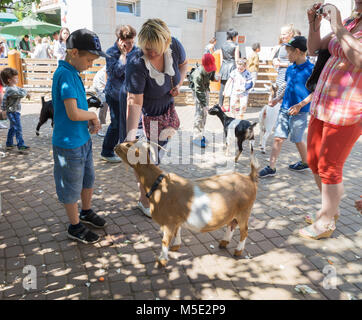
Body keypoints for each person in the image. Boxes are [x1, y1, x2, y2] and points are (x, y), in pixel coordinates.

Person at [298, 2, 362, 240]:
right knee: (314, 161)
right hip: (322, 105)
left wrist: (336, 24)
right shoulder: (350, 23)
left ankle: (326, 221)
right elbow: (314, 49)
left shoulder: (343, 25)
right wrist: (314, 24)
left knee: (330, 167)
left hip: (348, 111)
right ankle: (330, 209)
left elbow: (359, 59)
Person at [125, 18, 188, 218]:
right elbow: (134, 102)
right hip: (144, 113)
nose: (151, 53)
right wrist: (130, 137)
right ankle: (144, 201)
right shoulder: (136, 62)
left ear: (166, 42)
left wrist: (179, 84)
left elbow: (184, 64)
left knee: (155, 159)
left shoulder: (175, 45)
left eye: (155, 49)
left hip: (166, 112)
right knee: (144, 159)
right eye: (146, 48)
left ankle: (149, 191)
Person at [51, 28, 109, 244]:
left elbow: (77, 110)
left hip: (81, 140)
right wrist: (93, 116)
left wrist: (89, 120)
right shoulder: (64, 74)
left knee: (87, 179)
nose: (91, 64)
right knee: (71, 185)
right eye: (89, 59)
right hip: (68, 144)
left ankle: (85, 211)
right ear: (74, 52)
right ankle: (74, 226)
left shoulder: (73, 73)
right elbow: (73, 112)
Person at [259, 36, 314, 178]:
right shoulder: (290, 69)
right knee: (278, 137)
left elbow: (316, 93)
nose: (286, 55)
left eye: (289, 52)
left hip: (300, 112)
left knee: (297, 139)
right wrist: (278, 98)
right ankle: (271, 167)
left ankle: (305, 161)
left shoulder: (311, 70)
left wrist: (300, 105)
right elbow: (287, 87)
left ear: (297, 51)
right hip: (284, 109)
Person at [101, 25, 137, 162]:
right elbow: (114, 73)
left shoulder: (136, 50)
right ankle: (107, 151)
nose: (131, 46)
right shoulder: (111, 52)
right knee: (116, 123)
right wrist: (123, 55)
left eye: (132, 42)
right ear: (120, 41)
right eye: (128, 43)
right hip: (114, 94)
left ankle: (126, 150)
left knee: (130, 123)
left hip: (131, 94)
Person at [0, 67, 31, 150]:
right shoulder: (10, 90)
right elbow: (21, 93)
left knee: (13, 128)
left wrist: (25, 92)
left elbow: (21, 90)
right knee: (18, 128)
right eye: (15, 78)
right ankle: (21, 145)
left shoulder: (14, 87)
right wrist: (26, 92)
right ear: (9, 80)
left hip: (15, 111)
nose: (17, 79)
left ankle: (9, 143)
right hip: (12, 112)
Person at [191, 53, 217, 148]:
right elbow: (198, 91)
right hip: (199, 92)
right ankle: (196, 138)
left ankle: (200, 133)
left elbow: (212, 75)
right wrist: (204, 104)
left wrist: (214, 78)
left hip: (205, 90)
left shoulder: (211, 67)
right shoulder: (197, 74)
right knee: (199, 114)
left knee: (204, 114)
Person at [269, 24, 295, 108]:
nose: (282, 36)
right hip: (280, 75)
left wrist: (280, 64)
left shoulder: (294, 46)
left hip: (289, 76)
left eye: (284, 34)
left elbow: (295, 62)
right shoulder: (282, 46)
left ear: (290, 34)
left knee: (284, 98)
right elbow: (275, 57)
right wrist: (275, 60)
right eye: (281, 34)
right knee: (279, 98)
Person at [218, 28, 239, 112]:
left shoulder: (222, 45)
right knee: (232, 88)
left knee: (222, 88)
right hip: (232, 68)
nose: (236, 38)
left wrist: (221, 70)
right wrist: (238, 71)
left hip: (223, 67)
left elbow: (221, 59)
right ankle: (231, 106)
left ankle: (220, 106)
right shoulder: (236, 45)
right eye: (236, 36)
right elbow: (237, 59)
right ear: (233, 36)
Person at [91, 65, 109, 137]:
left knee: (105, 104)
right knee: (104, 104)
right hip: (100, 85)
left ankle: (100, 126)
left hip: (102, 84)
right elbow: (106, 74)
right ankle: (100, 128)